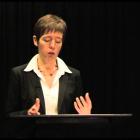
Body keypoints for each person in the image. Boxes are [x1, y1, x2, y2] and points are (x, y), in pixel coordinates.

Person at [5, 14, 92, 117]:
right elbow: (9, 115)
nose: (52, 46)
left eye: (58, 41)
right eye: (47, 40)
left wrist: (85, 115)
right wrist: (27, 113)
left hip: (64, 133)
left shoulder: (74, 75)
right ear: (35, 40)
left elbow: (76, 117)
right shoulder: (19, 74)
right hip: (32, 132)